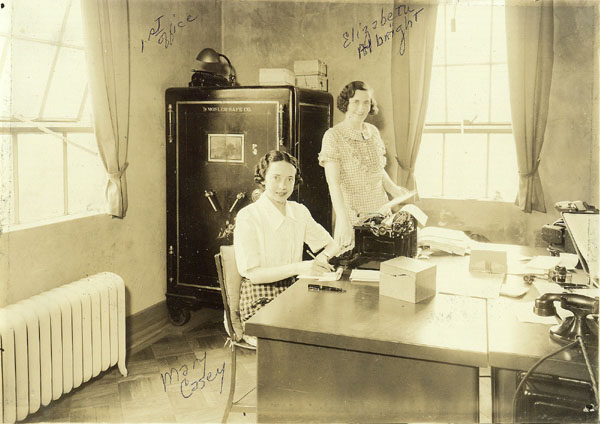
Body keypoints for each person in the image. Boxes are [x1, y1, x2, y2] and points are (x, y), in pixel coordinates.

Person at [234, 150, 339, 324]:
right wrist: (300, 267)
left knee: (331, 320)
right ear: (263, 178)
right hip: (259, 296)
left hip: (294, 290)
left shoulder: (298, 211)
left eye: (289, 179)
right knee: (304, 330)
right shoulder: (249, 216)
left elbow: (332, 245)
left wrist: (320, 261)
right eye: (276, 178)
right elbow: (255, 275)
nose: (283, 186)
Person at [318, 80, 410, 251]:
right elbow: (334, 184)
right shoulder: (333, 136)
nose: (361, 108)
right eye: (356, 102)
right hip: (352, 217)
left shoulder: (373, 132)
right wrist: (344, 221)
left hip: (381, 213)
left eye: (366, 102)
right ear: (346, 103)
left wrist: (394, 189)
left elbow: (377, 169)